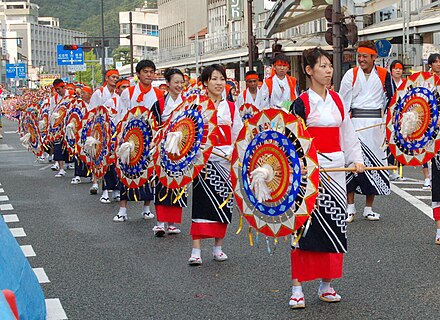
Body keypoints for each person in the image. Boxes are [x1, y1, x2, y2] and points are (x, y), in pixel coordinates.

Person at [289, 47, 364, 309]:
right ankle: (297, 287)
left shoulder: (338, 100)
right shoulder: (301, 103)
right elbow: (292, 140)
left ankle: (327, 283)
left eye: (329, 65)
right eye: (322, 66)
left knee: (334, 226)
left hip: (336, 171)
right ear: (309, 71)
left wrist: (356, 159)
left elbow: (348, 132)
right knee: (304, 227)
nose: (328, 70)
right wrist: (304, 167)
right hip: (309, 173)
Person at [188, 64, 243, 265]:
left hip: (226, 160)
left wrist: (237, 154)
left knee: (223, 204)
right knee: (201, 204)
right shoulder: (197, 106)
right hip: (204, 161)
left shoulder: (231, 107)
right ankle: (196, 249)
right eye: (214, 79)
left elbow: (238, 133)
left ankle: (218, 247)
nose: (219, 83)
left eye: (222, 79)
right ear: (205, 83)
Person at [339, 40, 394, 222]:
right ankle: (350, 207)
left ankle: (369, 208)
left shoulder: (385, 75)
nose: (361, 60)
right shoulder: (351, 74)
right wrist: (342, 126)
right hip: (354, 124)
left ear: (374, 57)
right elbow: (342, 102)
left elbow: (393, 100)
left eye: (365, 56)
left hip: (376, 126)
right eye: (359, 56)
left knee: (374, 166)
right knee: (352, 165)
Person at [113, 60, 164, 222]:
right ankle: (123, 209)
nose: (149, 75)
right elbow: (122, 115)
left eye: (151, 72)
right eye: (145, 72)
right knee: (127, 171)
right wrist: (122, 137)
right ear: (138, 74)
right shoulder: (128, 93)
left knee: (149, 172)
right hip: (131, 137)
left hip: (150, 139)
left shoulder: (159, 94)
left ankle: (146, 208)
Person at [150, 68, 187, 237]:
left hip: (181, 149)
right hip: (163, 148)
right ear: (167, 84)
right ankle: (160, 222)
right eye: (176, 82)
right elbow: (153, 124)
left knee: (178, 183)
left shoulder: (188, 102)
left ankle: (172, 223)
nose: (179, 85)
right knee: (161, 182)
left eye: (181, 82)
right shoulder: (159, 104)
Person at [88, 69, 120, 194]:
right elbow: (92, 111)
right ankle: (95, 181)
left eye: (117, 77)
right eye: (113, 77)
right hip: (100, 126)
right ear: (107, 78)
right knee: (97, 155)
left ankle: (113, 184)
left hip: (114, 128)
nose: (115, 79)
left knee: (111, 157)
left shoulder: (118, 95)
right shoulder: (99, 93)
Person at [99, 78, 130, 203]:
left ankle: (118, 190)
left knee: (121, 163)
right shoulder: (110, 102)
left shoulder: (130, 101)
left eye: (128, 86)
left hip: (125, 136)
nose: (126, 89)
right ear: (117, 89)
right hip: (111, 136)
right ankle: (106, 190)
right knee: (108, 163)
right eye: (123, 87)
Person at [50, 79, 73, 178]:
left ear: (64, 87)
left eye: (59, 89)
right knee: (58, 146)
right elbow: (51, 111)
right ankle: (61, 168)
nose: (58, 91)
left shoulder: (72, 95)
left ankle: (72, 165)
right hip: (59, 126)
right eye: (56, 89)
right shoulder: (54, 98)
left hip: (70, 125)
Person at [388, 60, 406, 181]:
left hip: (403, 116)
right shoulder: (388, 83)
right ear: (391, 70)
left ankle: (397, 169)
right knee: (390, 142)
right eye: (395, 68)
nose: (398, 70)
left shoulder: (405, 84)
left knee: (401, 142)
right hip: (389, 115)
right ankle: (390, 168)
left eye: (400, 68)